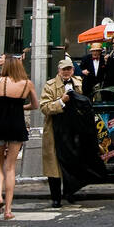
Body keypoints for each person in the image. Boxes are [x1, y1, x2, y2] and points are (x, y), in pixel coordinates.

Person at [0, 57, 38, 219]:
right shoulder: (27, 83)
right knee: (11, 167)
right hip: (17, 125)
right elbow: (35, 105)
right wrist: (21, 106)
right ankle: (8, 210)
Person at [39, 58, 78, 208]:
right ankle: (56, 197)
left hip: (72, 127)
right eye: (64, 69)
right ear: (59, 70)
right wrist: (61, 101)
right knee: (53, 164)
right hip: (54, 128)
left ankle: (70, 193)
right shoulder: (49, 86)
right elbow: (44, 107)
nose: (67, 72)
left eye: (69, 69)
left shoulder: (78, 83)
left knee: (71, 161)